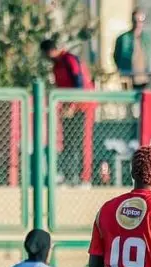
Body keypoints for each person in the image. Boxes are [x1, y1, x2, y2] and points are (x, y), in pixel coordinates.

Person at [40, 38, 94, 186]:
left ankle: (83, 179)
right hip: (68, 108)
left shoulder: (69, 60)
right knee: (69, 143)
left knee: (79, 142)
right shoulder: (56, 66)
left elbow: (79, 83)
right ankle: (69, 176)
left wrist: (72, 104)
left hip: (81, 106)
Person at [113, 9, 151, 90]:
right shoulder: (124, 38)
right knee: (128, 100)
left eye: (141, 21)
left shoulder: (146, 39)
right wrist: (122, 69)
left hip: (143, 77)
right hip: (128, 77)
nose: (138, 24)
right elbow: (116, 56)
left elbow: (149, 56)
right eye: (136, 20)